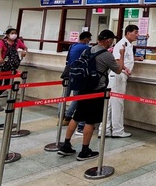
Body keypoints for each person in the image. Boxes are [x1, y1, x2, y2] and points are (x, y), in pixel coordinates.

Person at [58, 29, 127, 160]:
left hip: (83, 88)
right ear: (108, 40)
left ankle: (66, 145)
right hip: (96, 90)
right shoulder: (106, 54)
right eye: (112, 40)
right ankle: (85, 150)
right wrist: (122, 55)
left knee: (76, 116)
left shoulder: (88, 50)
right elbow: (118, 70)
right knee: (90, 121)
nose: (112, 42)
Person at [106, 24, 141, 138]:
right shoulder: (121, 44)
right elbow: (117, 61)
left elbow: (125, 58)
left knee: (110, 104)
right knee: (117, 103)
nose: (137, 35)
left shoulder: (128, 45)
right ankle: (117, 130)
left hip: (118, 75)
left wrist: (136, 58)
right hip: (119, 75)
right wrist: (126, 69)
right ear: (128, 33)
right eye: (135, 32)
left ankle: (105, 129)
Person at [0, 27, 27, 110]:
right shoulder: (2, 42)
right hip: (0, 66)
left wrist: (24, 52)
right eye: (12, 33)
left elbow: (25, 47)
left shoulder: (17, 42)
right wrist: (0, 59)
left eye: (15, 33)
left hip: (11, 66)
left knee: (7, 84)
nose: (14, 35)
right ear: (7, 34)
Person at [62, 31, 93, 126]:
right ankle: (68, 116)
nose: (89, 41)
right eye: (89, 39)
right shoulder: (86, 47)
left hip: (68, 72)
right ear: (86, 39)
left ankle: (60, 115)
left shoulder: (73, 46)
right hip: (77, 74)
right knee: (77, 96)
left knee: (64, 96)